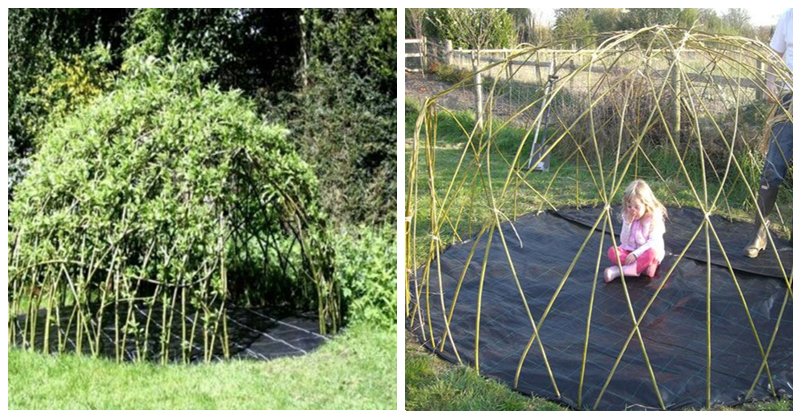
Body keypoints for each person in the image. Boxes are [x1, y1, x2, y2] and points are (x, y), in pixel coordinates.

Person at [744, 8, 793, 258]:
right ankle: (759, 234)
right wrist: (770, 81)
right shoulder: (791, 14)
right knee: (772, 168)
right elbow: (775, 55)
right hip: (788, 99)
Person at [604, 180, 667, 283]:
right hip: (630, 250)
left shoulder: (654, 218)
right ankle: (641, 268)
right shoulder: (627, 215)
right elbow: (624, 241)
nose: (632, 210)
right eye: (629, 206)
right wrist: (627, 224)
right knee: (613, 251)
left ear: (646, 204)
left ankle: (618, 271)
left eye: (637, 207)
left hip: (646, 252)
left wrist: (636, 254)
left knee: (651, 253)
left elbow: (653, 244)